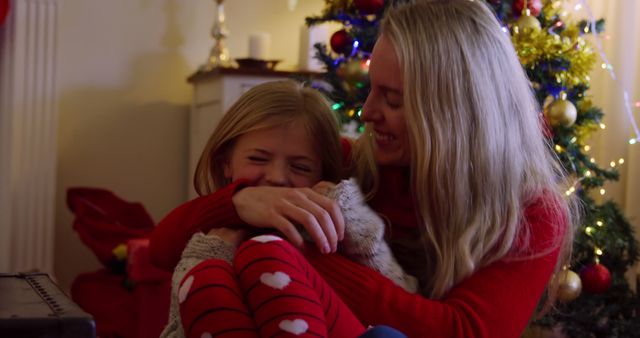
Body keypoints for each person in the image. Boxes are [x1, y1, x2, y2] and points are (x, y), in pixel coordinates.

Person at [151, 1, 578, 337]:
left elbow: (462, 331)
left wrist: (294, 251)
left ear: (452, 114)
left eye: (392, 100)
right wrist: (240, 201)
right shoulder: (345, 162)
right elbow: (162, 249)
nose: (368, 112)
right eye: (372, 91)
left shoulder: (533, 214)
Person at [159, 80, 415, 338]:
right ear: (226, 162)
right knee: (207, 278)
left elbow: (399, 291)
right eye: (258, 159)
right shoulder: (211, 243)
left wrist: (346, 214)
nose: (277, 178)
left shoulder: (339, 228)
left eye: (301, 167)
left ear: (322, 174)